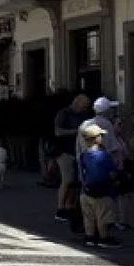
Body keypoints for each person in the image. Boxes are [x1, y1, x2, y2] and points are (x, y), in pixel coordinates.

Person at [77, 122, 121, 248]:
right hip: (103, 190)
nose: (102, 138)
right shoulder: (104, 156)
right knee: (103, 215)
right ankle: (104, 238)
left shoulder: (83, 155)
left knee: (88, 216)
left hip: (86, 190)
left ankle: (90, 237)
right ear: (96, 139)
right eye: (101, 135)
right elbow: (112, 173)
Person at [53, 93, 90, 222]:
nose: (85, 109)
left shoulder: (83, 115)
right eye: (83, 106)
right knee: (67, 180)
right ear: (77, 102)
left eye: (86, 107)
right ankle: (60, 208)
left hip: (78, 151)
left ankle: (70, 207)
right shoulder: (64, 113)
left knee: (75, 182)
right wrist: (76, 131)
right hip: (64, 151)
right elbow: (58, 131)